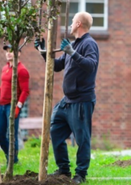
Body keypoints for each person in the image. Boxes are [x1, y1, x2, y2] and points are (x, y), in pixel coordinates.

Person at [34, 11, 99, 184]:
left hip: (81, 100)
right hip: (67, 101)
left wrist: (72, 53)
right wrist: (42, 51)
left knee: (82, 139)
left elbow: (90, 66)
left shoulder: (89, 44)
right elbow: (56, 66)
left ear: (78, 24)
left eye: (72, 22)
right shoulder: (73, 44)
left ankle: (81, 175)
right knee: (54, 131)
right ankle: (64, 169)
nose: (70, 24)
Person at [0, 44, 30, 164]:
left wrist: (18, 106)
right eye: (7, 51)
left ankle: (12, 161)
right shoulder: (5, 68)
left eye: (11, 51)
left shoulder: (22, 70)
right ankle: (11, 156)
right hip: (2, 107)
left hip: (12, 107)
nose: (8, 53)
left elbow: (25, 91)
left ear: (19, 53)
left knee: (12, 135)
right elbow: (5, 85)